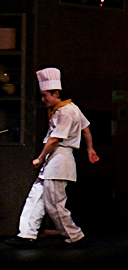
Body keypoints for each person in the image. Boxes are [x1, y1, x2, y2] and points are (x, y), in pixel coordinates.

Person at [5, 67, 99, 248]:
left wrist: (40, 158)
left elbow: (55, 139)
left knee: (54, 203)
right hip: (53, 159)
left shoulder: (66, 112)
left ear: (56, 93)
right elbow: (86, 129)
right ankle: (26, 234)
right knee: (36, 197)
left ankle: (74, 236)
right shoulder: (69, 108)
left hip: (59, 160)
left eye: (45, 95)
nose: (43, 99)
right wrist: (90, 149)